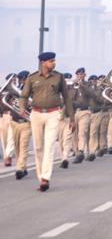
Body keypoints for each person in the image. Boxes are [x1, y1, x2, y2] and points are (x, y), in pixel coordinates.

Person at [19, 52, 74, 192]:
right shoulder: (32, 78)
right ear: (43, 63)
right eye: (51, 61)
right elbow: (24, 96)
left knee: (49, 146)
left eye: (54, 60)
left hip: (53, 114)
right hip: (36, 114)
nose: (53, 63)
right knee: (38, 147)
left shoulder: (59, 77)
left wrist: (72, 118)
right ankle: (40, 176)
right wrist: (22, 108)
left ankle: (45, 178)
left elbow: (67, 98)